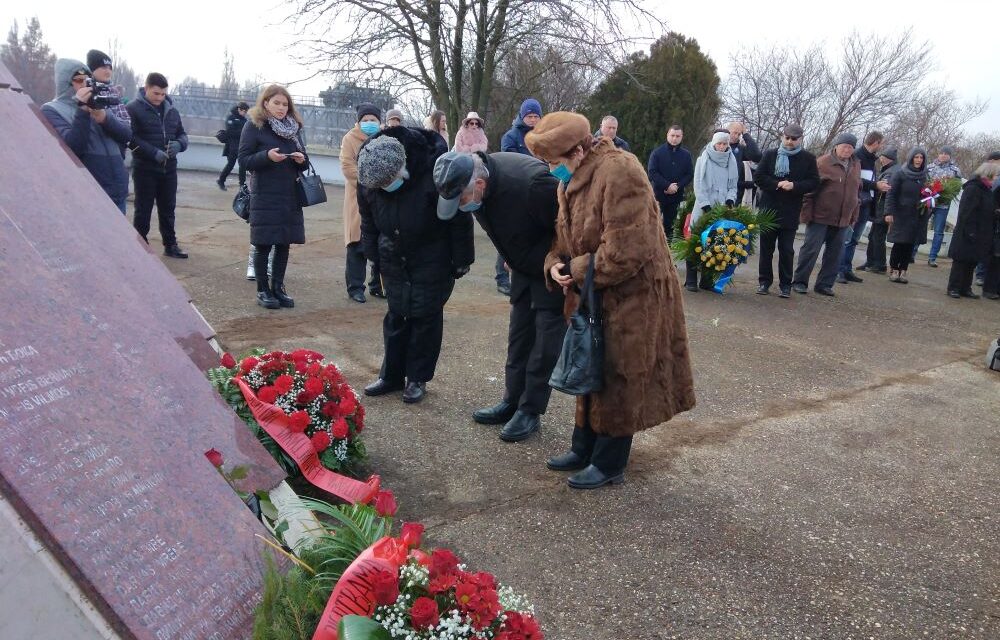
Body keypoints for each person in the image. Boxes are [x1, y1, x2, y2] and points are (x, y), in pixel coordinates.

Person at [523, 112, 695, 489]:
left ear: (579, 150)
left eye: (554, 163)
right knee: (591, 367)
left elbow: (628, 250)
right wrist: (554, 263)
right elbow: (563, 236)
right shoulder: (571, 178)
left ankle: (609, 462)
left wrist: (575, 270)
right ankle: (583, 448)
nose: (552, 171)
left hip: (634, 295)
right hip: (595, 293)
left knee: (620, 375)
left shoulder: (621, 171)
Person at [434, 150, 564, 442]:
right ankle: (512, 400)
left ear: (479, 184)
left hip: (550, 271)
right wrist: (510, 254)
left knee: (544, 345)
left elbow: (568, 226)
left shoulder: (532, 185)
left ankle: (530, 411)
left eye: (462, 199)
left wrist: (555, 261)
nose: (461, 206)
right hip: (521, 266)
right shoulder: (476, 187)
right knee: (518, 338)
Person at [357, 129, 474, 404]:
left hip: (432, 254)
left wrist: (461, 260)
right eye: (380, 185)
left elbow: (457, 219)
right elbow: (368, 221)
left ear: (402, 168)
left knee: (425, 318)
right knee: (396, 315)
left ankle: (417, 378)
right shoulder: (369, 181)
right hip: (393, 255)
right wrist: (373, 255)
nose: (386, 187)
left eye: (390, 181)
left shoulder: (433, 174)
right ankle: (391, 375)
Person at [237, 84, 309, 309]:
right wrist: (267, 157)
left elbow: (305, 162)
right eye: (276, 103)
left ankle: (278, 288)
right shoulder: (254, 125)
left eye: (285, 104)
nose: (281, 108)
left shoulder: (293, 128)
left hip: (289, 194)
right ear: (265, 103)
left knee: (284, 243)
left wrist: (300, 160)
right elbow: (244, 160)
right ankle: (263, 290)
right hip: (265, 194)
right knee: (264, 244)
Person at [41, 59, 131, 214]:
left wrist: (104, 119)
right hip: (88, 194)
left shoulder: (97, 102)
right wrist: (82, 111)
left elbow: (126, 135)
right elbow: (74, 148)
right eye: (79, 80)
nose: (84, 85)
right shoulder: (52, 110)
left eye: (88, 80)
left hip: (117, 190)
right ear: (66, 83)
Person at [791, 132, 862, 296]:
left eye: (850, 147)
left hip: (843, 218)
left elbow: (857, 191)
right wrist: (806, 214)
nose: (847, 150)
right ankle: (800, 281)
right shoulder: (822, 163)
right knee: (811, 250)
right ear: (836, 146)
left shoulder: (856, 164)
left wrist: (854, 214)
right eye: (844, 146)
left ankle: (824, 284)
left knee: (835, 254)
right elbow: (809, 192)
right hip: (820, 216)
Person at [753, 124, 820, 298]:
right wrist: (776, 184)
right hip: (769, 209)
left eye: (794, 139)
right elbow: (759, 177)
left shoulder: (808, 158)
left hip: (790, 210)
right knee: (766, 249)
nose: (790, 141)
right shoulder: (770, 155)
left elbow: (813, 182)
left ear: (800, 139)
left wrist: (795, 186)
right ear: (782, 137)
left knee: (786, 250)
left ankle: (785, 285)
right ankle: (764, 282)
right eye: (787, 138)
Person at [127, 72, 189, 258]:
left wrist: (180, 145)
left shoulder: (172, 111)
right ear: (146, 89)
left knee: (168, 208)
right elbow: (130, 138)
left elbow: (182, 134)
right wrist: (152, 153)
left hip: (169, 169)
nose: (160, 98)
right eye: (156, 93)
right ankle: (140, 244)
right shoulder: (133, 109)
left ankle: (170, 245)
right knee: (143, 208)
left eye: (163, 94)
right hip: (145, 168)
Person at [497, 98, 544, 295]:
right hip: (516, 190)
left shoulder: (544, 136)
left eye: (536, 116)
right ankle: (501, 276)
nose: (532, 120)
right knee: (509, 235)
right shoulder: (511, 137)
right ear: (522, 116)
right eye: (529, 116)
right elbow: (509, 163)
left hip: (539, 190)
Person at [341, 103, 385, 303]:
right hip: (358, 197)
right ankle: (355, 287)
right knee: (357, 244)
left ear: (379, 121)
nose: (369, 123)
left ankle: (378, 285)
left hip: (383, 197)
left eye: (373, 120)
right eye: (365, 120)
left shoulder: (386, 137)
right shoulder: (349, 138)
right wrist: (370, 181)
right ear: (359, 122)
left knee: (382, 244)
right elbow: (347, 166)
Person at [685, 131, 738, 292]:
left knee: (715, 242)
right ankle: (691, 279)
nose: (722, 147)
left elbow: (733, 184)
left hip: (721, 206)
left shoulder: (731, 161)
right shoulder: (704, 159)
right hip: (704, 206)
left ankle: (707, 279)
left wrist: (730, 199)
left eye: (724, 144)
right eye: (719, 144)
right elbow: (698, 184)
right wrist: (705, 204)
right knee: (696, 241)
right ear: (714, 143)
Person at [838, 131, 889, 283]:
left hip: (866, 203)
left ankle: (846, 269)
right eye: (882, 143)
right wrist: (875, 185)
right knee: (846, 238)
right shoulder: (858, 155)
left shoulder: (870, 159)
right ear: (876, 142)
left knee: (854, 240)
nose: (882, 146)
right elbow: (854, 179)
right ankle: (839, 270)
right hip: (856, 202)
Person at [947, 163, 1000, 298]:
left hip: (981, 232)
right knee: (960, 261)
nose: (996, 178)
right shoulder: (973, 188)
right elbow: (966, 212)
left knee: (972, 261)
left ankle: (965, 287)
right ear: (988, 174)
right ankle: (954, 287)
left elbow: (987, 209)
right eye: (995, 175)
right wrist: (970, 231)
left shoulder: (986, 190)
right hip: (968, 231)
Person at [884, 148, 929, 284]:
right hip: (901, 213)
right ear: (911, 158)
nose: (919, 160)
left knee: (910, 244)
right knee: (899, 243)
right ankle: (894, 269)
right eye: (916, 157)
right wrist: (888, 212)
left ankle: (903, 270)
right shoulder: (900, 174)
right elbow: (891, 194)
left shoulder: (925, 176)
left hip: (917, 215)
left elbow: (928, 194)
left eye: (921, 158)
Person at [647, 125, 693, 241]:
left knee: (669, 225)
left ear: (681, 137)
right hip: (658, 194)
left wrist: (677, 186)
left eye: (677, 136)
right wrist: (667, 185)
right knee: (653, 223)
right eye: (672, 135)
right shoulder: (657, 153)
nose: (674, 138)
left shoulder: (686, 155)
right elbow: (652, 172)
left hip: (675, 196)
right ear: (667, 135)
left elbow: (689, 174)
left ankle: (668, 250)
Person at [858, 148, 899, 274]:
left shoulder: (891, 172)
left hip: (882, 209)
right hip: (880, 208)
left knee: (878, 236)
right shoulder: (889, 170)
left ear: (886, 158)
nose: (879, 159)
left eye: (882, 157)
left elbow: (887, 192)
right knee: (873, 236)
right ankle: (871, 261)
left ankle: (880, 264)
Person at [926, 145, 964, 267]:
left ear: (950, 156)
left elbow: (957, 187)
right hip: (929, 202)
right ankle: (912, 252)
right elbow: (924, 182)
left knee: (938, 231)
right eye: (941, 153)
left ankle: (932, 257)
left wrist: (945, 195)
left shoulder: (955, 170)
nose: (943, 155)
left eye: (946, 154)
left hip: (943, 205)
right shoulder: (930, 167)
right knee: (920, 226)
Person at [85, 49, 129, 127]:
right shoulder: (84, 91)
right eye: (103, 67)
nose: (108, 72)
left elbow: (126, 121)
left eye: (110, 68)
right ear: (92, 69)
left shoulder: (113, 91)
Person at [727, 121, 762, 204]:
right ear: (728, 131)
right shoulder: (715, 146)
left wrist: (746, 134)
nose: (736, 136)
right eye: (734, 133)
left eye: (739, 134)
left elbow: (757, 156)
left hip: (734, 195)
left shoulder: (740, 149)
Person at [218, 101, 248, 191]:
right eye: (244, 111)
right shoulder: (230, 118)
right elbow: (230, 132)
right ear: (239, 109)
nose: (245, 113)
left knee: (242, 166)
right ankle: (221, 181)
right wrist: (242, 133)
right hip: (231, 146)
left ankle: (242, 185)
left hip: (241, 146)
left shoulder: (244, 120)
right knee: (230, 164)